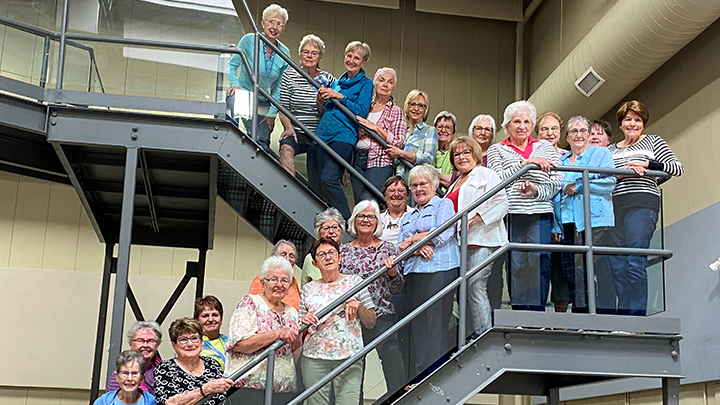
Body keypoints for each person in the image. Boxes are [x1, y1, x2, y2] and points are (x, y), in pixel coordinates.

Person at [607, 100, 683, 315]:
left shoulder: (652, 142)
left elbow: (676, 168)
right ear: (620, 124)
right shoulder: (609, 150)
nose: (633, 124)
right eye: (628, 119)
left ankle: (636, 319)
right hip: (614, 207)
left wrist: (648, 166)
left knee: (634, 261)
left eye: (638, 120)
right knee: (618, 267)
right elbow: (600, 178)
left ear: (643, 123)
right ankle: (624, 319)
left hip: (641, 204)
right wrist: (619, 174)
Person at [384, 164, 459, 377]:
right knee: (418, 326)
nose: (418, 189)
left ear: (434, 185)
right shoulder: (408, 215)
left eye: (423, 184)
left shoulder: (443, 205)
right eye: (414, 185)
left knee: (436, 323)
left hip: (440, 269)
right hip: (414, 273)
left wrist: (413, 240)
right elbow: (400, 249)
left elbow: (443, 234)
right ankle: (420, 375)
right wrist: (418, 245)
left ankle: (436, 373)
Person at [487, 101, 562, 311]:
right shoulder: (496, 150)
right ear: (507, 125)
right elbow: (497, 181)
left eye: (526, 121)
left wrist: (536, 190)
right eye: (516, 121)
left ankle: (537, 314)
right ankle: (520, 313)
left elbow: (557, 181)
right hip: (512, 213)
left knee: (540, 261)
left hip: (540, 212)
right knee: (516, 263)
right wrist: (525, 164)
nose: (522, 126)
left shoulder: (545, 147)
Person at [300, 238, 377, 405]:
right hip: (314, 357)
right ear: (314, 263)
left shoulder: (355, 282)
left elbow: (371, 321)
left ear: (340, 257)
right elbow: (298, 327)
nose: (328, 257)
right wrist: (304, 321)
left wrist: (359, 305)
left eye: (331, 253)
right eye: (322, 255)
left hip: (349, 356)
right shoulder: (308, 289)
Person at [340, 200, 405, 396]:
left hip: (382, 313)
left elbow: (398, 287)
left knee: (392, 354)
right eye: (362, 216)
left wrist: (393, 272)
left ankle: (399, 397)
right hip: (352, 317)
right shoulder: (344, 251)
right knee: (354, 366)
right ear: (354, 220)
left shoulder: (387, 248)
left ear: (377, 222)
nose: (366, 220)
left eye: (371, 216)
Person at [552, 116, 616, 313]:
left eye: (583, 131)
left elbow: (609, 183)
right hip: (567, 222)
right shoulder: (560, 161)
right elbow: (555, 195)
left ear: (589, 135)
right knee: (571, 272)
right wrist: (556, 225)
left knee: (591, 269)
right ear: (567, 137)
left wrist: (579, 186)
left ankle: (597, 315)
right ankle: (579, 315)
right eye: (573, 131)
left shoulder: (600, 154)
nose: (578, 135)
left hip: (593, 220)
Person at [445, 137, 508, 335]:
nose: (462, 157)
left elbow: (502, 203)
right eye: (457, 154)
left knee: (475, 286)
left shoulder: (485, 174)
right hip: (460, 244)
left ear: (476, 154)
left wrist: (476, 218)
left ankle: (484, 335)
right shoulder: (454, 183)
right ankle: (470, 335)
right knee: (464, 291)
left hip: (483, 239)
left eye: (466, 152)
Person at [309, 41, 373, 219]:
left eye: (356, 58)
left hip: (344, 136)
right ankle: (331, 221)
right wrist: (320, 101)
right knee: (318, 184)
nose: (351, 60)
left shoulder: (366, 84)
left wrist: (340, 97)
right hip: (322, 134)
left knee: (329, 178)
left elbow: (361, 111)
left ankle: (347, 220)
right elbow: (324, 111)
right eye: (349, 55)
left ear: (363, 62)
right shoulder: (336, 82)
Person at [225, 256, 301, 404]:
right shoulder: (251, 302)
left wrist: (299, 342)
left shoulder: (292, 312)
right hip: (249, 387)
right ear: (262, 283)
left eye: (285, 280)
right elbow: (240, 344)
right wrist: (278, 333)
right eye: (273, 279)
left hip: (283, 388)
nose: (279, 284)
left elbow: (292, 356)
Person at [226, 4, 290, 153]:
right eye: (271, 21)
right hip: (245, 95)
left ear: (283, 28)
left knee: (261, 143)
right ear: (263, 23)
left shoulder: (284, 52)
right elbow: (232, 64)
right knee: (240, 134)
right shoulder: (249, 40)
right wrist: (234, 84)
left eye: (279, 24)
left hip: (264, 102)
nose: (274, 27)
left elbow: (280, 86)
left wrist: (272, 114)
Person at [278, 34, 335, 176]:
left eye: (314, 53)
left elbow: (331, 112)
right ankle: (288, 189)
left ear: (320, 57)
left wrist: (319, 103)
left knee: (316, 176)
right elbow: (283, 108)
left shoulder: (327, 78)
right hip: (296, 130)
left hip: (319, 133)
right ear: (300, 54)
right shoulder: (289, 76)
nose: (309, 56)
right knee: (285, 148)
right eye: (306, 52)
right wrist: (289, 128)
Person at [352, 67, 406, 203]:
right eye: (381, 80)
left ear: (393, 87)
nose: (385, 85)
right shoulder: (366, 107)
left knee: (367, 201)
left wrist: (376, 128)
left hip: (380, 161)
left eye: (390, 82)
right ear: (375, 83)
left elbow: (399, 142)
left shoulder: (396, 111)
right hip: (358, 159)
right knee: (359, 204)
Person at [468, 114, 505, 311]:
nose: (483, 132)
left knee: (493, 275)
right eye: (478, 128)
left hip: (490, 224)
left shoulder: (497, 155)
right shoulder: (464, 156)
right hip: (467, 230)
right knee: (470, 282)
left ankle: (494, 316)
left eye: (487, 129)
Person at [536, 111, 571, 312]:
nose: (550, 133)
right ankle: (536, 319)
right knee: (540, 268)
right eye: (544, 129)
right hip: (539, 216)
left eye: (554, 128)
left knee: (561, 272)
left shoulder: (568, 157)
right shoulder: (532, 156)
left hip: (565, 220)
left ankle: (560, 322)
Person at [154, 318, 233, 405]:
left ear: (201, 341)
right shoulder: (165, 368)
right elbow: (169, 403)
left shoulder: (212, 364)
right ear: (174, 345)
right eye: (183, 340)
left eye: (194, 338)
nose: (190, 344)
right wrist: (206, 389)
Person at [388, 90, 437, 177]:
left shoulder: (430, 130)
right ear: (407, 106)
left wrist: (400, 153)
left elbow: (428, 158)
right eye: (412, 104)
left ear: (426, 109)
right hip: (397, 182)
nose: (416, 109)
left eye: (421, 106)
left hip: (417, 182)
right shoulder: (401, 131)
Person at [106, 321, 163, 395]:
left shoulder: (165, 370)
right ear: (131, 343)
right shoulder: (120, 375)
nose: (145, 345)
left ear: (157, 345)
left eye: (151, 341)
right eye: (140, 341)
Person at [248, 239, 302, 309]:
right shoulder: (262, 279)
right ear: (274, 256)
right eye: (283, 254)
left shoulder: (293, 281)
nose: (287, 258)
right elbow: (254, 304)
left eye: (291, 256)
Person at [301, 208, 346, 287]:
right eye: (326, 228)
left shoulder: (350, 252)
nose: (331, 231)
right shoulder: (311, 258)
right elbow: (304, 287)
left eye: (335, 227)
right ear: (318, 232)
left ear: (341, 230)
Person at [193, 296, 229, 369]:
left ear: (221, 319)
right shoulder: (191, 344)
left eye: (215, 315)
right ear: (196, 320)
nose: (210, 319)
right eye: (205, 316)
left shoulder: (230, 343)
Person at [379, 176, 410, 245]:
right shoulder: (377, 219)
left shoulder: (416, 215)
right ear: (384, 196)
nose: (396, 194)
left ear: (407, 195)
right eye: (391, 190)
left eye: (401, 190)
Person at [433, 111, 457, 188]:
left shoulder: (456, 152)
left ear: (453, 132)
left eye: (448, 128)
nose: (443, 130)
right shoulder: (428, 151)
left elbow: (456, 180)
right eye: (440, 127)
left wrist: (433, 176)